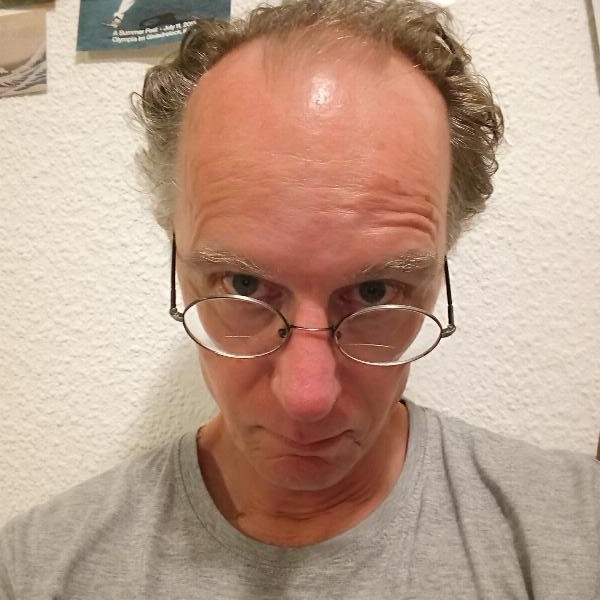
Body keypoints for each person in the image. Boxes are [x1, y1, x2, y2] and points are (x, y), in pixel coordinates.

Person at [1, 0, 599, 597]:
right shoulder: (33, 572)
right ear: (176, 255)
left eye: (374, 291)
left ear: (442, 265)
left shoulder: (575, 534)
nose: (307, 398)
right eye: (242, 284)